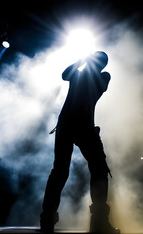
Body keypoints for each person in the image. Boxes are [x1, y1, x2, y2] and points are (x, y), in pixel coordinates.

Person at [40, 51, 120, 234]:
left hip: (76, 123)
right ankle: (50, 218)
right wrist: (81, 61)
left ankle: (95, 220)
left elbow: (86, 84)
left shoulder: (103, 77)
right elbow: (64, 75)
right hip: (76, 123)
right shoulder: (80, 74)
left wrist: (83, 63)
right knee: (65, 171)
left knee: (90, 169)